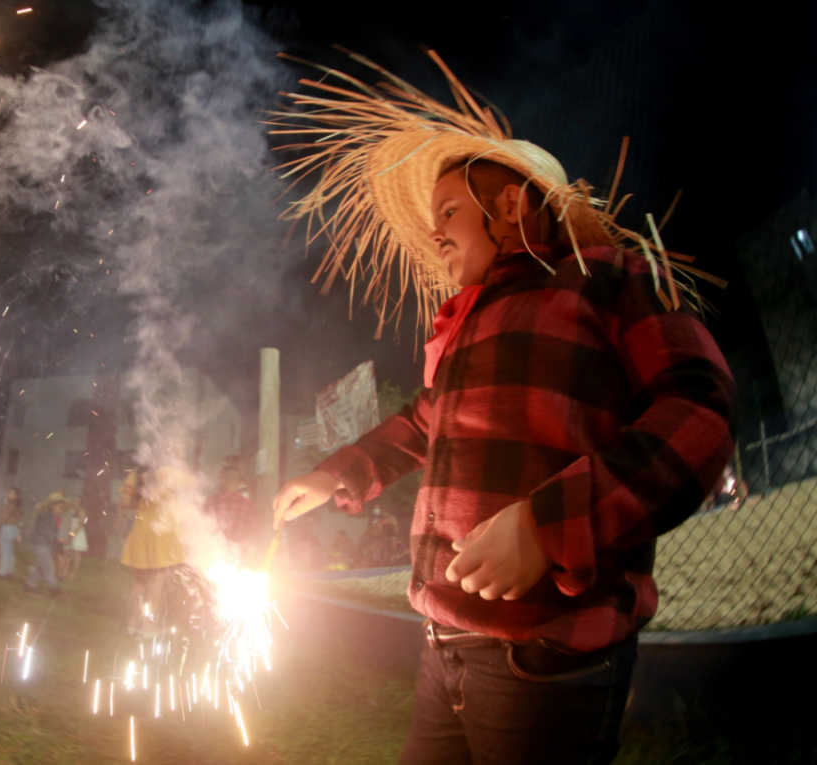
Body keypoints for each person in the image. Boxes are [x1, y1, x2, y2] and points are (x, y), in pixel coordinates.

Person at [272, 52, 734, 765]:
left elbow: (701, 411)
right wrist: (343, 469)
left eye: (450, 210)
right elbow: (431, 421)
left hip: (548, 658)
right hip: (442, 647)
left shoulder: (607, 280)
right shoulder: (465, 324)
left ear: (512, 206)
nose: (435, 233)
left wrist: (550, 525)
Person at [119, 469, 185, 638]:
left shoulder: (135, 474)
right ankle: (148, 626)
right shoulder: (165, 472)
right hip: (160, 534)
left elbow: (125, 502)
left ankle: (133, 624)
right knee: (157, 581)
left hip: (141, 531)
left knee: (139, 582)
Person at [203, 457, 255, 552]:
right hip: (215, 549)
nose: (231, 481)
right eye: (228, 477)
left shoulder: (245, 503)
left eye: (234, 478)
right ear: (222, 479)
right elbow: (203, 524)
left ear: (239, 482)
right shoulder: (212, 500)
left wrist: (242, 541)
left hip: (239, 549)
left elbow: (251, 527)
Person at [25, 491, 66, 594]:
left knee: (40, 566)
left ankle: (30, 585)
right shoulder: (45, 515)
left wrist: (56, 543)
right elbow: (46, 532)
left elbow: (52, 533)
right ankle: (53, 588)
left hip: (44, 544)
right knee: (49, 566)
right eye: (59, 506)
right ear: (53, 506)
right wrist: (56, 541)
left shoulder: (52, 516)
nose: (61, 509)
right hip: (40, 543)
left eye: (61, 506)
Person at [0, 491, 23, 578]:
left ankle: (2, 572)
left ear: (15, 496)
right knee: (10, 551)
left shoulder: (10, 505)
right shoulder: (18, 506)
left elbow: (4, 517)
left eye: (11, 493)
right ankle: (9, 571)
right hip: (14, 529)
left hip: (7, 528)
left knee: (4, 551)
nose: (8, 494)